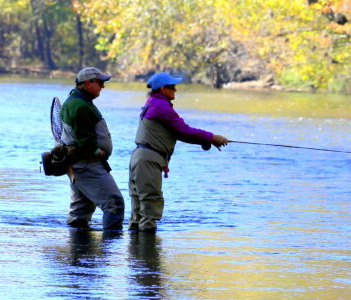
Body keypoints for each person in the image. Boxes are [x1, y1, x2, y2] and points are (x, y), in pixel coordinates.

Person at [128, 72, 229, 232]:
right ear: (163, 89)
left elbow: (178, 132)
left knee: (139, 208)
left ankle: (136, 252)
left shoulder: (153, 103)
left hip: (140, 158)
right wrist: (211, 137)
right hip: (148, 160)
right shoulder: (161, 106)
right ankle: (148, 254)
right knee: (150, 206)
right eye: (172, 87)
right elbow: (183, 131)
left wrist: (205, 140)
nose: (175, 90)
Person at [60, 67, 125, 230]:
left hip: (80, 165)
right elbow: (84, 137)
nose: (103, 86)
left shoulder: (78, 101)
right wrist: (97, 151)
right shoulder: (78, 105)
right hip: (87, 164)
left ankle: (79, 252)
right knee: (114, 204)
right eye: (100, 83)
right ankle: (109, 251)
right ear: (87, 83)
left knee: (81, 211)